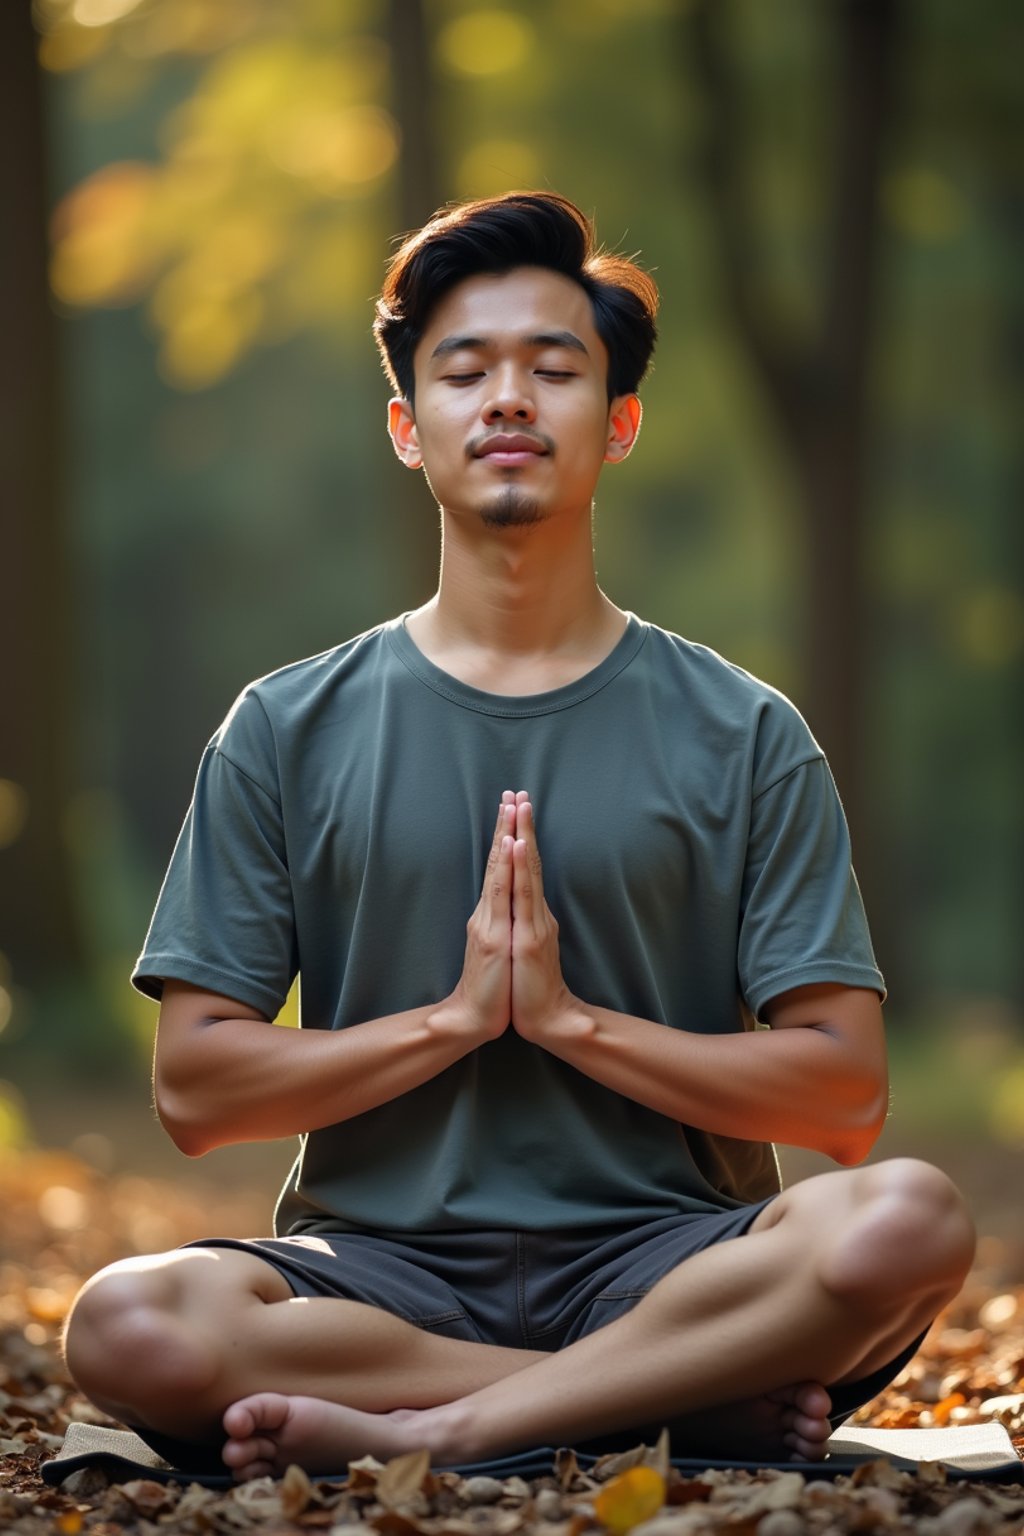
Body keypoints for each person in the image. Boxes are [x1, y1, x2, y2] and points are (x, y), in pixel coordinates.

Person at [63, 192, 974, 1481]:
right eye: (465, 370)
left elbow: (847, 1091)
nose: (508, 399)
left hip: (677, 1265)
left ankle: (453, 1430)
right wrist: (451, 1021)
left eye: (554, 369)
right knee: (130, 1321)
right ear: (406, 427)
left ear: (620, 425)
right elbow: (195, 1091)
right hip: (377, 1279)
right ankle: (661, 1407)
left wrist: (570, 1025)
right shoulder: (284, 726)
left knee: (909, 1222)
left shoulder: (744, 731)